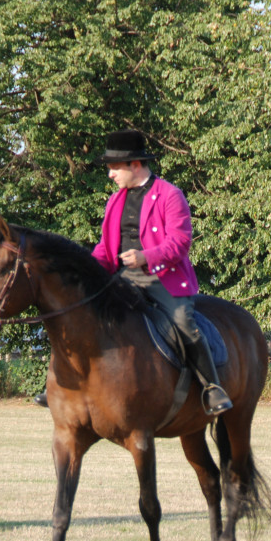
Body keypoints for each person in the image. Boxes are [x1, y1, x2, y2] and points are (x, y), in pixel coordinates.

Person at [83, 129, 232, 416]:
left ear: (134, 165)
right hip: (122, 278)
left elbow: (180, 242)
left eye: (114, 168)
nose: (110, 174)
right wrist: (86, 271)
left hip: (163, 278)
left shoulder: (170, 195)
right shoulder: (115, 201)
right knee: (84, 312)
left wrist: (144, 256)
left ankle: (212, 387)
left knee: (183, 322)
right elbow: (105, 247)